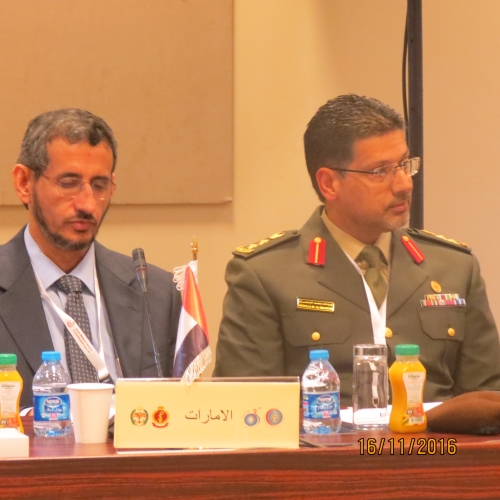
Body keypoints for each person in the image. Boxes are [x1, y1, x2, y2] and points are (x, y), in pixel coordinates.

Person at [214, 94, 500, 402]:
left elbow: (488, 399)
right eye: (380, 171)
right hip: (323, 433)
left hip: (437, 435)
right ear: (329, 183)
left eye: (404, 165)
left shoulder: (454, 268)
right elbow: (249, 409)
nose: (404, 184)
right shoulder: (265, 275)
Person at [0, 109, 181, 407]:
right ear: (24, 183)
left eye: (99, 186)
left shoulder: (157, 293)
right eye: (68, 183)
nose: (87, 204)